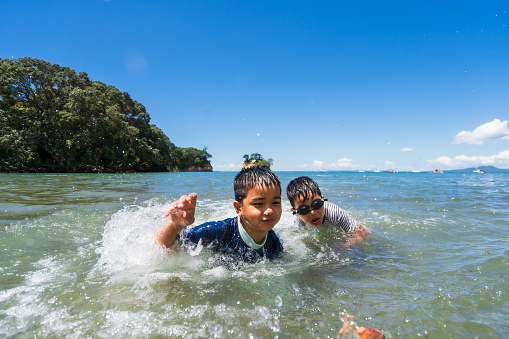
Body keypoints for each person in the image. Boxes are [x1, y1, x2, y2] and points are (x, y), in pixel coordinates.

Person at [156, 166, 283, 262]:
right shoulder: (217, 232)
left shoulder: (274, 242)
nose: (269, 211)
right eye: (259, 204)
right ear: (239, 208)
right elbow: (166, 250)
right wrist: (175, 226)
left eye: (276, 202)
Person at [286, 176, 369, 242]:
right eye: (303, 210)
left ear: (323, 200)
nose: (312, 212)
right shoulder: (299, 222)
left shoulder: (334, 212)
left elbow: (357, 233)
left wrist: (348, 244)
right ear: (295, 212)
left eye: (317, 204)